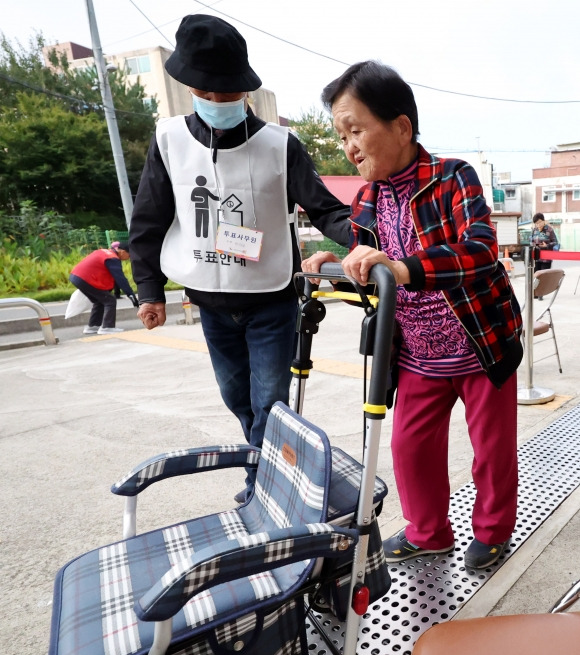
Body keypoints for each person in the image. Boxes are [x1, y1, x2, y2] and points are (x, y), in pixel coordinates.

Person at [302, 61, 523, 570]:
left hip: (479, 341)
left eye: (356, 129)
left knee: (491, 451)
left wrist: (402, 269)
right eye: (341, 136)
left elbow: (480, 251)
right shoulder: (367, 198)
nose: (349, 145)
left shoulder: (452, 176)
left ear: (401, 127)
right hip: (418, 352)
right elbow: (368, 264)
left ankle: (492, 532)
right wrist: (334, 265)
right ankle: (429, 532)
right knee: (409, 446)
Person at [128, 14, 350, 504]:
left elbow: (325, 207)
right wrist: (149, 291)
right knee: (238, 400)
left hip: (270, 300)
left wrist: (370, 237)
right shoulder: (168, 141)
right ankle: (272, 463)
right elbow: (149, 220)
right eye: (208, 94)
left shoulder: (279, 144)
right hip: (210, 301)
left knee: (269, 402)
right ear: (189, 87)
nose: (218, 102)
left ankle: (264, 484)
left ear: (244, 90)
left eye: (228, 94)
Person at [69, 241, 138, 334]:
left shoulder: (105, 252)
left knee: (100, 300)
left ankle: (93, 326)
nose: (129, 258)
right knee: (110, 300)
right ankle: (107, 327)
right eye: (129, 255)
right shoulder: (113, 258)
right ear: (123, 251)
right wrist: (131, 295)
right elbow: (120, 279)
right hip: (84, 278)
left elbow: (115, 279)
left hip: (76, 277)